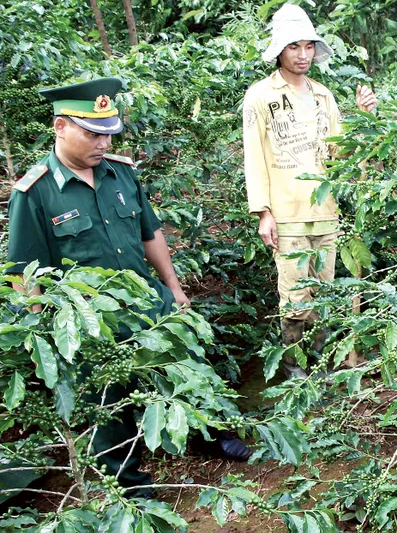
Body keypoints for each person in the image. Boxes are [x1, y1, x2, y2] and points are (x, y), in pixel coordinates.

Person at [6, 77, 251, 498]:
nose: (103, 143)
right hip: (90, 321)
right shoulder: (35, 192)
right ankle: (129, 485)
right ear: (60, 126)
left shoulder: (120, 173)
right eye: (92, 134)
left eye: (108, 134)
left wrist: (173, 287)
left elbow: (149, 233)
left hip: (146, 302)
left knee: (188, 367)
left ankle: (208, 435)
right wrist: (44, 334)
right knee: (107, 404)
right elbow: (24, 273)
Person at [243, 4, 377, 378]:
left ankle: (318, 363)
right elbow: (254, 155)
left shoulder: (323, 96)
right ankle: (293, 368)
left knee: (323, 294)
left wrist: (364, 116)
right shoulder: (260, 96)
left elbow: (340, 154)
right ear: (279, 50)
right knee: (294, 299)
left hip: (325, 213)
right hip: (286, 214)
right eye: (294, 47)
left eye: (308, 46)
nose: (302, 55)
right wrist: (263, 212)